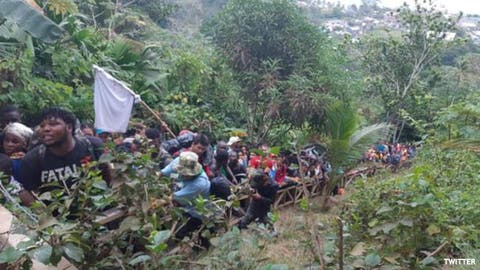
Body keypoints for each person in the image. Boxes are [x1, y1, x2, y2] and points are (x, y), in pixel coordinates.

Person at [17, 108, 110, 206]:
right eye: (42, 126)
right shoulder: (32, 160)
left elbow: (109, 177)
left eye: (53, 124)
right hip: (59, 218)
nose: (46, 129)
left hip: (99, 212)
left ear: (69, 127)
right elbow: (28, 194)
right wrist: (47, 218)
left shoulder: (93, 146)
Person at [161, 151, 211, 241]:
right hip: (182, 197)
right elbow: (163, 173)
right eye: (182, 172)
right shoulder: (180, 161)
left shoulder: (199, 183)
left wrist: (156, 202)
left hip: (196, 211)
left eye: (187, 174)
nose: (184, 175)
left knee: (179, 236)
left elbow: (172, 198)